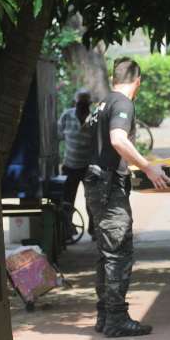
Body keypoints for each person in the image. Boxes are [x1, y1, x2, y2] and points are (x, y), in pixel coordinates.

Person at [83, 57, 170, 338]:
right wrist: (148, 167)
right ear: (138, 81)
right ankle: (116, 320)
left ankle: (105, 314)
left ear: (112, 78)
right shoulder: (122, 103)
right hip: (109, 190)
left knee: (106, 254)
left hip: (97, 186)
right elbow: (118, 140)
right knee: (118, 253)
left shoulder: (101, 105)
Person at [57, 88, 95, 239]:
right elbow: (58, 135)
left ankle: (93, 230)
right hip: (70, 166)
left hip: (89, 167)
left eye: (85, 104)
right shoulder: (67, 115)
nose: (83, 106)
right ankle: (67, 231)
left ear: (89, 104)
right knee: (67, 201)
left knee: (91, 200)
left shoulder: (94, 118)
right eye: (80, 103)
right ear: (76, 103)